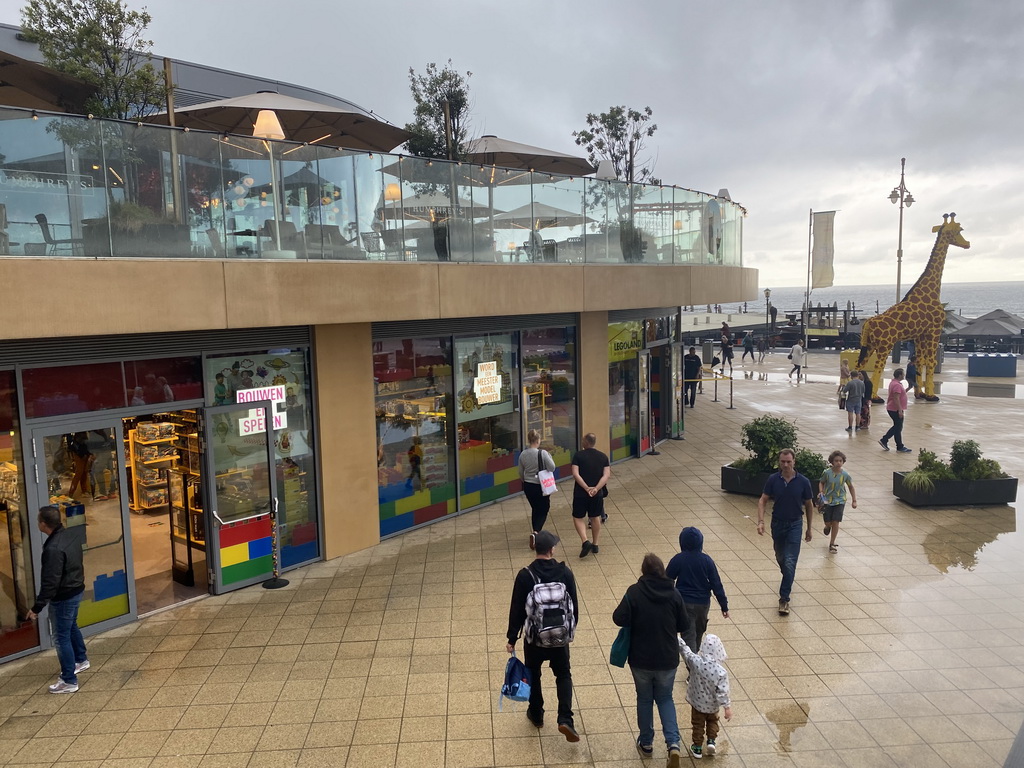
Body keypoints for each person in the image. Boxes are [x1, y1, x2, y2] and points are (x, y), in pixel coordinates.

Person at [613, 553, 688, 764]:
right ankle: (673, 743)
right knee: (665, 699)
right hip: (667, 658)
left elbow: (618, 617)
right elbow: (684, 626)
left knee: (644, 699)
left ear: (643, 571)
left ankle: (646, 742)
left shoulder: (634, 592)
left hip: (640, 659)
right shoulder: (674, 594)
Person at [506, 531, 580, 742]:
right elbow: (574, 606)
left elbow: (517, 610)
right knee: (563, 675)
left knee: (533, 673)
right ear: (551, 550)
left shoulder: (525, 575)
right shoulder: (565, 573)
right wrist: (569, 632)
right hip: (559, 638)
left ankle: (537, 714)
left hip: (534, 639)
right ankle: (565, 718)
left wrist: (512, 638)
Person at [26, 506, 88, 694]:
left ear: (43, 524)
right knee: (71, 626)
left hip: (64, 596)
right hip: (76, 589)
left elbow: (50, 582)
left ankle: (69, 680)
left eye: (38, 521)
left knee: (61, 637)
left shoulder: (53, 548)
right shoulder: (70, 535)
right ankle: (81, 659)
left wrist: (37, 607)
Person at [756, 448, 814, 615]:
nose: (786, 465)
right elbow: (763, 500)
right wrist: (761, 521)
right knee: (781, 558)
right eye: (783, 462)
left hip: (795, 524)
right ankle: (787, 575)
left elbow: (809, 505)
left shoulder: (803, 482)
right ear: (779, 462)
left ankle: (784, 598)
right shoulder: (773, 479)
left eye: (789, 462)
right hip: (778, 524)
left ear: (794, 462)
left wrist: (809, 528)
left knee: (790, 562)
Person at [666, 527, 729, 652]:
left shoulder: (678, 559)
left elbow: (666, 580)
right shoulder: (707, 561)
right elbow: (716, 584)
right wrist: (724, 605)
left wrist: (666, 600)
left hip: (684, 603)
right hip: (703, 603)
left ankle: (693, 663)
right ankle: (695, 662)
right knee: (699, 631)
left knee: (688, 634)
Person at [678, 634, 732, 760]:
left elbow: (686, 651)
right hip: (713, 706)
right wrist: (727, 707)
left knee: (698, 724)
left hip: (697, 704)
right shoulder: (721, 672)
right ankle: (711, 741)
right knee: (713, 722)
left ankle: (697, 748)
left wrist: (678, 639)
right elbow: (723, 692)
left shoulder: (696, 662)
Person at [571, 433, 610, 558]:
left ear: (586, 442)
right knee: (595, 517)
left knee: (578, 517)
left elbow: (575, 474)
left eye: (583, 440)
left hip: (580, 493)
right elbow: (606, 475)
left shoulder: (578, 456)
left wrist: (586, 487)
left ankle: (585, 540)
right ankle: (595, 543)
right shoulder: (603, 457)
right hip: (597, 494)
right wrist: (596, 488)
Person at [518, 429, 556, 548]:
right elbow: (552, 467)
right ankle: (536, 532)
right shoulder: (543, 453)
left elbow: (520, 472)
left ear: (529, 440)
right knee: (544, 508)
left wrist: (525, 480)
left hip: (528, 486)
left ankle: (535, 532)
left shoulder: (523, 454)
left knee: (535, 508)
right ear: (538, 440)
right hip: (541, 485)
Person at [819, 450, 857, 554]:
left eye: (840, 460)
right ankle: (827, 526)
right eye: (836, 461)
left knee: (836, 521)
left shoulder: (845, 475)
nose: (838, 463)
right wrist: (821, 492)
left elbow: (850, 486)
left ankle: (832, 543)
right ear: (832, 462)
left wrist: (854, 500)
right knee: (828, 521)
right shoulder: (827, 473)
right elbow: (821, 482)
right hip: (827, 501)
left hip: (840, 501)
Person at [879, 368, 912, 453]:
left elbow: (900, 394)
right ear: (900, 375)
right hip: (895, 409)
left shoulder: (894, 383)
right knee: (898, 426)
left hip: (894, 409)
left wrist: (908, 388)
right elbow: (896, 398)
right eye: (903, 374)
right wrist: (900, 410)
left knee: (898, 427)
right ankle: (885, 439)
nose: (904, 375)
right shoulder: (896, 385)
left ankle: (899, 446)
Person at [67, 433, 93, 499]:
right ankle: (72, 492)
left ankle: (82, 491)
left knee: (83, 472)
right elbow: (76, 446)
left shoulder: (78, 440)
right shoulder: (77, 441)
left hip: (82, 452)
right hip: (79, 452)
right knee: (80, 472)